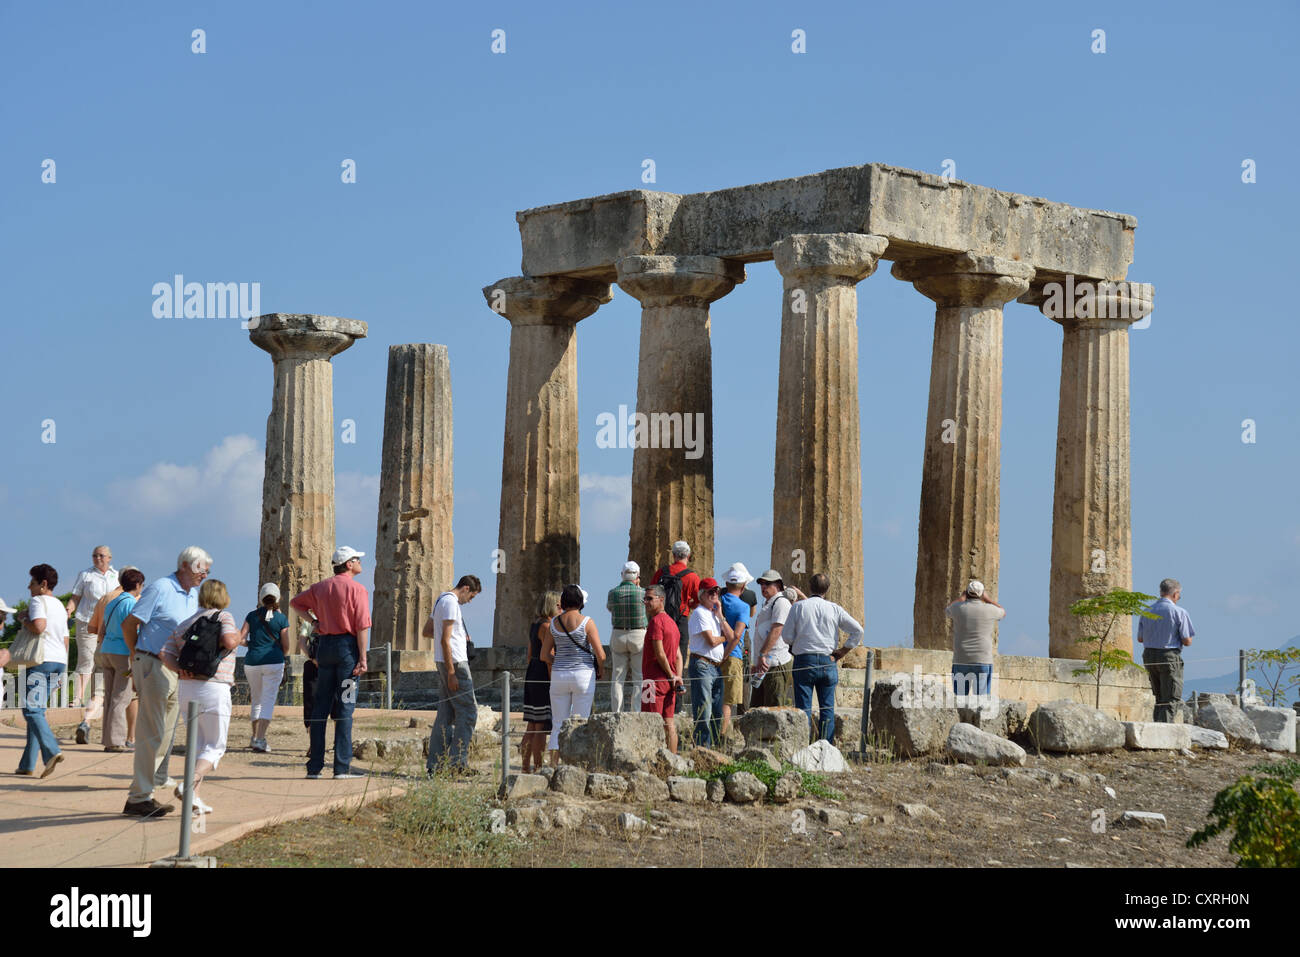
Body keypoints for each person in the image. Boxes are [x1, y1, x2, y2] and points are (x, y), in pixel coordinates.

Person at [121, 546, 211, 817]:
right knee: (152, 732)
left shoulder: (194, 594)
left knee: (166, 734)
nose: (204, 574)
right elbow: (129, 623)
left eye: (207, 569)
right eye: (200, 568)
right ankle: (139, 797)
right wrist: (137, 655)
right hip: (153, 663)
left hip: (175, 669)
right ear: (184, 565)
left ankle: (146, 790)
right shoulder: (161, 587)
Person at [291, 546, 371, 780]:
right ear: (348, 564)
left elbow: (296, 604)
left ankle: (314, 767)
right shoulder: (358, 589)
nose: (359, 562)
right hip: (347, 650)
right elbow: (362, 626)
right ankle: (341, 767)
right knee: (345, 707)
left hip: (325, 648)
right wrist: (363, 658)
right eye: (357, 559)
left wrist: (314, 622)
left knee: (320, 707)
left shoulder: (320, 587)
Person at [161, 579, 240, 814]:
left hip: (187, 688)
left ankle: (194, 798)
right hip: (214, 686)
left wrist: (179, 670)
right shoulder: (224, 617)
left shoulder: (187, 622)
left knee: (198, 745)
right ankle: (188, 785)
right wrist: (239, 636)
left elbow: (164, 652)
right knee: (215, 746)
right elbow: (228, 640)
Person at [783, 573, 863, 744]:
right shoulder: (834, 608)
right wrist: (842, 651)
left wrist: (797, 643)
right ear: (827, 589)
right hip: (828, 661)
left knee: (803, 708)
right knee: (827, 709)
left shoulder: (798, 607)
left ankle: (803, 745)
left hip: (804, 660)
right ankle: (826, 747)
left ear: (809, 587)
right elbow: (858, 631)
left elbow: (786, 636)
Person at [423, 575, 482, 774]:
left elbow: (428, 631)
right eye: (471, 596)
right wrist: (451, 673)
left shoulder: (441, 599)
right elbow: (445, 641)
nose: (470, 601)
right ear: (465, 588)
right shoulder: (451, 603)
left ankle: (436, 765)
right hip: (454, 663)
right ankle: (457, 763)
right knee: (468, 712)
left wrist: (457, 636)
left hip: (443, 661)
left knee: (446, 715)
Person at [15, 564, 69, 778]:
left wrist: (23, 619)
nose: (29, 587)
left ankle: (52, 751)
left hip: (41, 660)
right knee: (38, 711)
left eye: (32, 582)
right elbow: (65, 638)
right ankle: (27, 763)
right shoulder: (58, 605)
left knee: (31, 710)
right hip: (59, 661)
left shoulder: (37, 601)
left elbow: (38, 627)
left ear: (43, 584)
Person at [542, 584, 605, 764]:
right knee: (581, 722)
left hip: (559, 675)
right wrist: (601, 668)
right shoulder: (587, 622)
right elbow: (600, 654)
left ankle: (554, 764)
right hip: (583, 674)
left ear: (562, 602)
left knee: (558, 723)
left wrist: (560, 662)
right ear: (580, 601)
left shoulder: (553, 623)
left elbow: (544, 655)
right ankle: (576, 764)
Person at [67, 546, 119, 744]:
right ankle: (77, 699)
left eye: (101, 555)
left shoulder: (116, 576)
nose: (98, 558)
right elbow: (76, 597)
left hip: (111, 625)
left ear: (109, 558)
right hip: (87, 622)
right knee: (87, 659)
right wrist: (69, 609)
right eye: (95, 555)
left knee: (102, 663)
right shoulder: (86, 575)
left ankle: (95, 697)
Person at [92, 567, 145, 752]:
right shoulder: (132, 604)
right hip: (122, 652)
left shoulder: (111, 603)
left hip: (106, 650)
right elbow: (131, 629)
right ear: (137, 585)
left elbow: (103, 629)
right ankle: (116, 740)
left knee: (109, 696)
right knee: (121, 697)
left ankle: (107, 738)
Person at [239, 583, 290, 753]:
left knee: (256, 699)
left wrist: (253, 644)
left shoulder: (251, 616)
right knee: (268, 701)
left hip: (252, 661)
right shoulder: (281, 618)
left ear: (261, 597)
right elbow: (287, 646)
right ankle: (260, 740)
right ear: (277, 598)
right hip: (274, 661)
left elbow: (241, 639)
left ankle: (254, 737)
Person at [1137, 578, 1195, 723]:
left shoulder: (1146, 610)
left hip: (1149, 655)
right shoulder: (1179, 612)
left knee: (1158, 697)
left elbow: (1140, 639)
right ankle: (1165, 731)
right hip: (1169, 655)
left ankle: (1156, 727)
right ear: (1175, 594)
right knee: (1171, 697)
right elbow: (1187, 641)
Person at [685, 577, 735, 748]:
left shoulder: (714, 615)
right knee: (704, 708)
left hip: (715, 666)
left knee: (716, 709)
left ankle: (713, 744)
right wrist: (722, 637)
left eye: (717, 592)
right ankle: (702, 745)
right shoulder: (699, 613)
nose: (715, 595)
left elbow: (732, 636)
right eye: (711, 592)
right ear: (702, 595)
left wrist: (720, 615)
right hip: (703, 664)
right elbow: (712, 641)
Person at [640, 584, 685, 753]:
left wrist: (671, 674)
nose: (646, 602)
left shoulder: (655, 622)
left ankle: (652, 760)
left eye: (650, 599)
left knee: (650, 722)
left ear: (661, 599)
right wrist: (677, 677)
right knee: (669, 723)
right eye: (645, 599)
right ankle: (672, 759)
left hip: (653, 680)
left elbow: (659, 653)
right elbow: (678, 655)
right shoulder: (672, 624)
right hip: (670, 682)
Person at [945, 581, 1005, 700]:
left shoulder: (958, 608)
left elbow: (947, 610)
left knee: (960, 700)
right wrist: (987, 599)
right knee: (981, 701)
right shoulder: (990, 609)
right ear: (981, 594)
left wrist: (961, 598)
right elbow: (1003, 612)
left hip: (961, 659)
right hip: (983, 659)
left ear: (967, 592)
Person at [522, 590, 560, 773]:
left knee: (531, 724)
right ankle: (537, 767)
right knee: (540, 727)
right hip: (543, 676)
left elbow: (530, 655)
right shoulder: (547, 627)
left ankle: (524, 766)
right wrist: (553, 681)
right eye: (559, 605)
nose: (561, 609)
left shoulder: (534, 625)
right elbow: (549, 656)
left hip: (532, 672)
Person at [751, 569, 795, 708]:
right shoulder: (769, 603)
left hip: (776, 663)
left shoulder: (781, 603)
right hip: (764, 665)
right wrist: (757, 660)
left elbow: (777, 630)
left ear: (778, 585)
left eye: (767, 583)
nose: (763, 587)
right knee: (757, 709)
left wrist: (762, 654)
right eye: (761, 584)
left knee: (774, 710)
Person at [606, 561, 647, 713]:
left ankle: (617, 711)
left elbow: (610, 608)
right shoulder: (643, 593)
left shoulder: (613, 592)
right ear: (637, 576)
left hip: (618, 633)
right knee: (639, 677)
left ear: (622, 575)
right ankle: (636, 710)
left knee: (617, 677)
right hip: (638, 634)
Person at [650, 541, 701, 656]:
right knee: (680, 656)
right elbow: (699, 600)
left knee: (660, 654)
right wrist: (689, 604)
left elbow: (651, 593)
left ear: (673, 555)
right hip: (681, 619)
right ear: (688, 556)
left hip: (661, 618)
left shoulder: (661, 572)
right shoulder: (693, 577)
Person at [718, 567, 751, 739]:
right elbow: (737, 636)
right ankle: (722, 736)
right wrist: (725, 656)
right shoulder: (743, 607)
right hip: (732, 656)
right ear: (743, 586)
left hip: (713, 653)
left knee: (714, 697)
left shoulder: (717, 601)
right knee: (727, 702)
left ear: (726, 583)